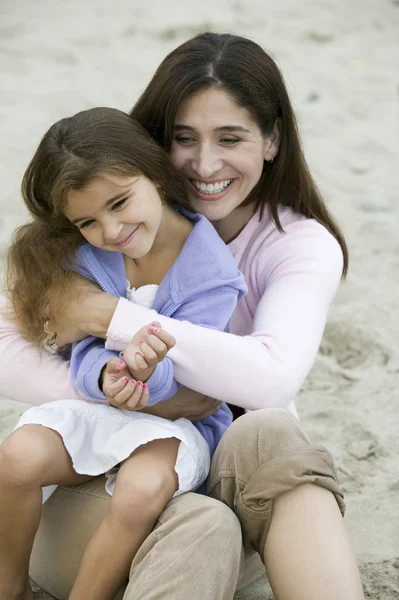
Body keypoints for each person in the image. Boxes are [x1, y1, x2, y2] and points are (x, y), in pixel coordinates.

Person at [0, 33, 365, 600]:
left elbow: (270, 381)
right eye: (183, 139)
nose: (205, 164)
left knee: (272, 431)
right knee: (203, 524)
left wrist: (106, 315)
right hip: (98, 503)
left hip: (216, 472)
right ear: (152, 146)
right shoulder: (98, 214)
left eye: (231, 138)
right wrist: (123, 390)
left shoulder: (296, 244)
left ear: (271, 140)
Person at [0, 106, 246, 600]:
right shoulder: (85, 256)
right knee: (16, 458)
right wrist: (108, 374)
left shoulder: (212, 274)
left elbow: (194, 377)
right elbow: (81, 346)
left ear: (154, 175)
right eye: (88, 220)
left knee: (141, 489)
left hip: (178, 424)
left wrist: (143, 374)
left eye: (119, 202)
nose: (111, 231)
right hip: (104, 401)